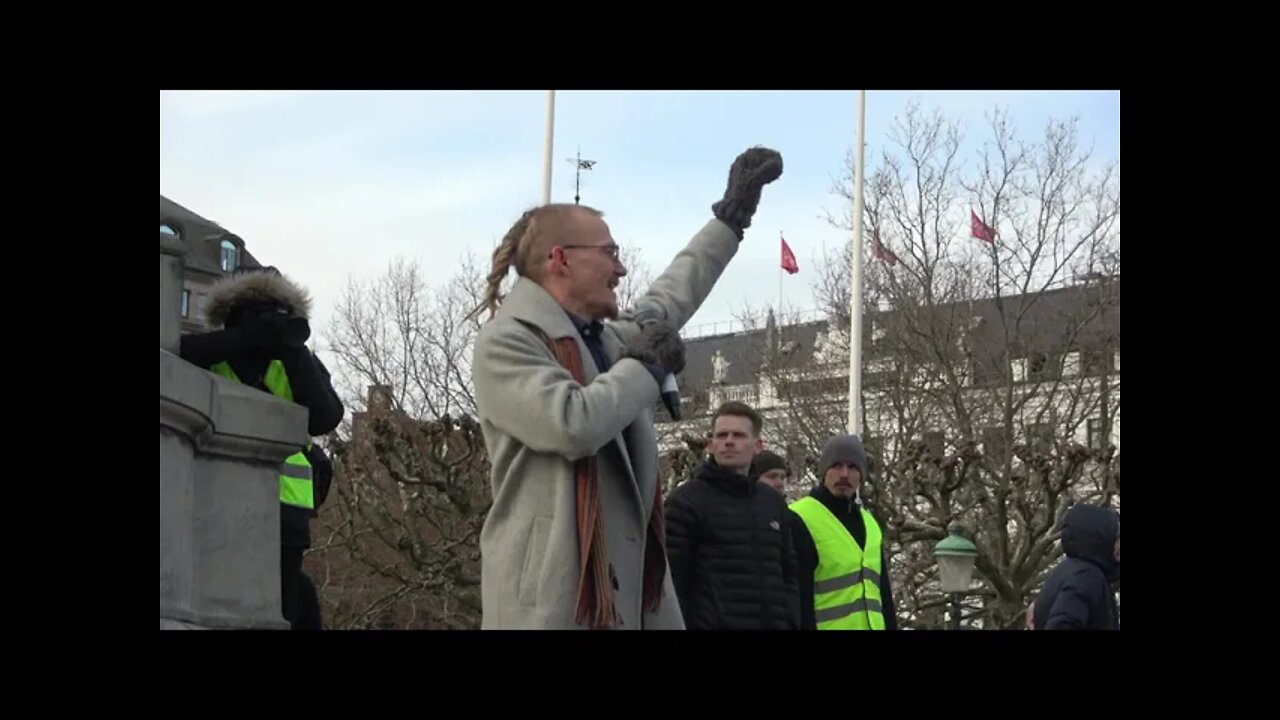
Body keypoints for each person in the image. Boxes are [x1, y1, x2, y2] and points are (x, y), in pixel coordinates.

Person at [470, 147, 784, 629]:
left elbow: (669, 297)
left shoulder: (604, 340)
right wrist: (649, 367)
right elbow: (572, 422)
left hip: (629, 599)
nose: (620, 270)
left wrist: (730, 219)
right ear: (561, 260)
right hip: (553, 607)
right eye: (610, 254)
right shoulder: (507, 342)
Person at [179, 266, 344, 630]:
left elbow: (325, 417)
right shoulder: (210, 355)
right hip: (213, 505)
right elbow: (174, 359)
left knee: (281, 608)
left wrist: (293, 352)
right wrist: (241, 340)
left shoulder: (296, 362)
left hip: (284, 515)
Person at [664, 402, 800, 630]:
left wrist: (791, 618)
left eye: (738, 435)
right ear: (710, 445)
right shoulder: (685, 502)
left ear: (758, 445)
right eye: (721, 435)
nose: (728, 441)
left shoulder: (772, 502)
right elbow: (670, 583)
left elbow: (789, 572)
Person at [788, 434, 898, 630]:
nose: (845, 474)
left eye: (853, 467)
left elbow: (884, 598)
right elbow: (797, 598)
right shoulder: (800, 517)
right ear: (824, 472)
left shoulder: (870, 523)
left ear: (862, 475)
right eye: (837, 466)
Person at [1032, 504, 1120, 630]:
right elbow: (1062, 623)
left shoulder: (1066, 572)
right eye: (1117, 538)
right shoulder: (1088, 576)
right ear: (1101, 538)